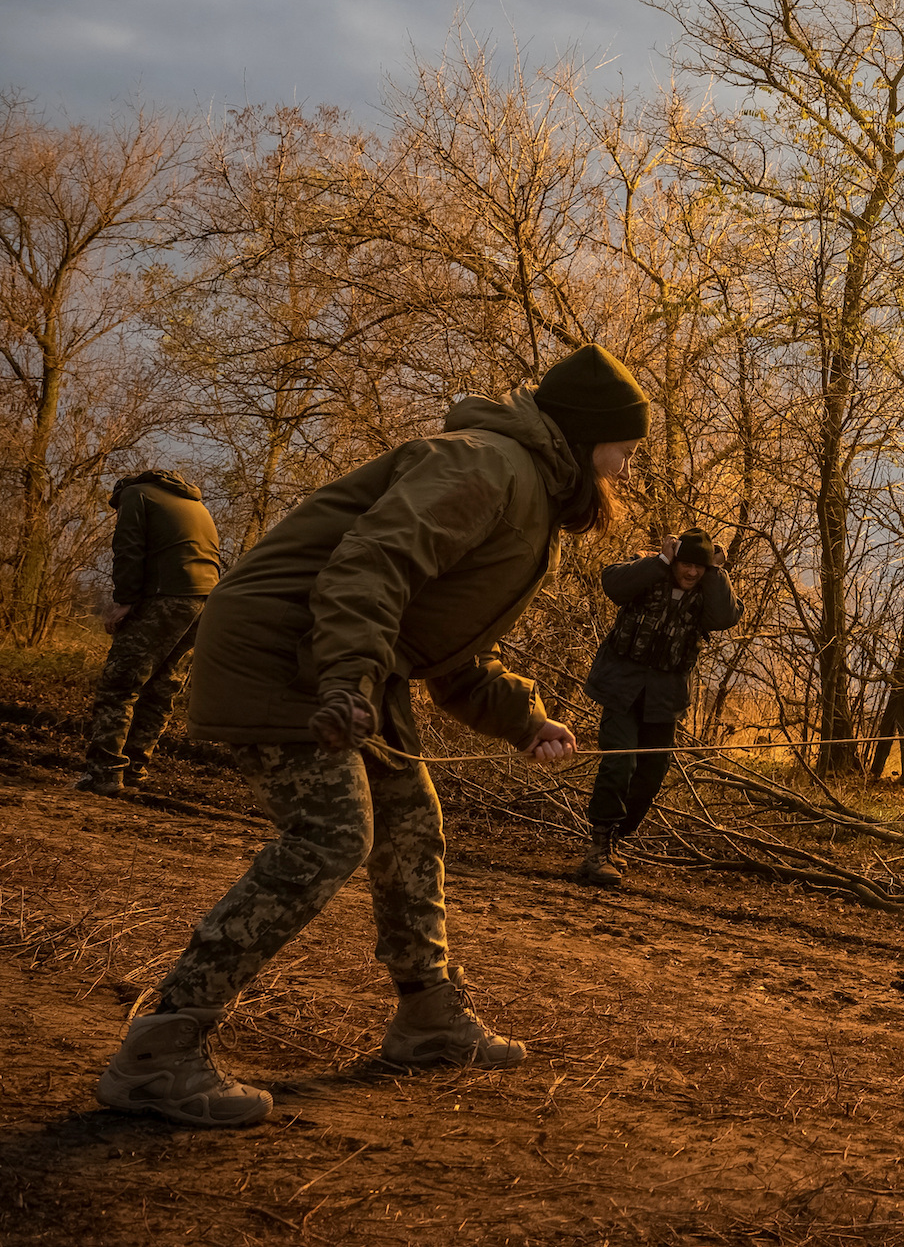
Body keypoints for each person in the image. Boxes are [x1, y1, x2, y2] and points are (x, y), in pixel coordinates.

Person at [95, 343, 650, 1129]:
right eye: (624, 448)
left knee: (409, 813)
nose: (626, 470)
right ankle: (160, 1049)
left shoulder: (526, 493)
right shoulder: (488, 466)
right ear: (590, 433)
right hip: (288, 648)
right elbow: (372, 562)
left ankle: (427, 1018)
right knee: (333, 831)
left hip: (344, 657)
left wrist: (523, 719)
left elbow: (450, 652)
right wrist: (347, 679)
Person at [576, 528, 741, 886]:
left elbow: (727, 617)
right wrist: (661, 560)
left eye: (700, 567)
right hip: (622, 687)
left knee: (649, 776)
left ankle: (616, 840)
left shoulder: (708, 593)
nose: (692, 572)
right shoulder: (648, 572)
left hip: (665, 697)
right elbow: (612, 584)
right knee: (619, 761)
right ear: (675, 558)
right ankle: (598, 848)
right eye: (686, 563)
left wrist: (717, 572)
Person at [77, 469, 222, 795]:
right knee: (159, 691)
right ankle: (134, 772)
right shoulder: (193, 502)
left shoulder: (135, 494)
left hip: (165, 597)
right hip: (206, 603)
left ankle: (104, 775)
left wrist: (124, 602)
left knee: (119, 685)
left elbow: (128, 548)